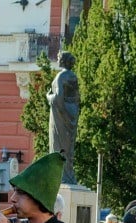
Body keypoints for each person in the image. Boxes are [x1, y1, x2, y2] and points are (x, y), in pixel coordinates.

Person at [47, 51, 80, 184]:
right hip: (72, 114)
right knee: (68, 148)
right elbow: (78, 100)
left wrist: (48, 96)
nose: (57, 59)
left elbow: (58, 99)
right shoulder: (73, 77)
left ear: (63, 60)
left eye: (59, 57)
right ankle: (69, 175)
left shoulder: (61, 76)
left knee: (58, 146)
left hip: (60, 115)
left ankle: (60, 177)